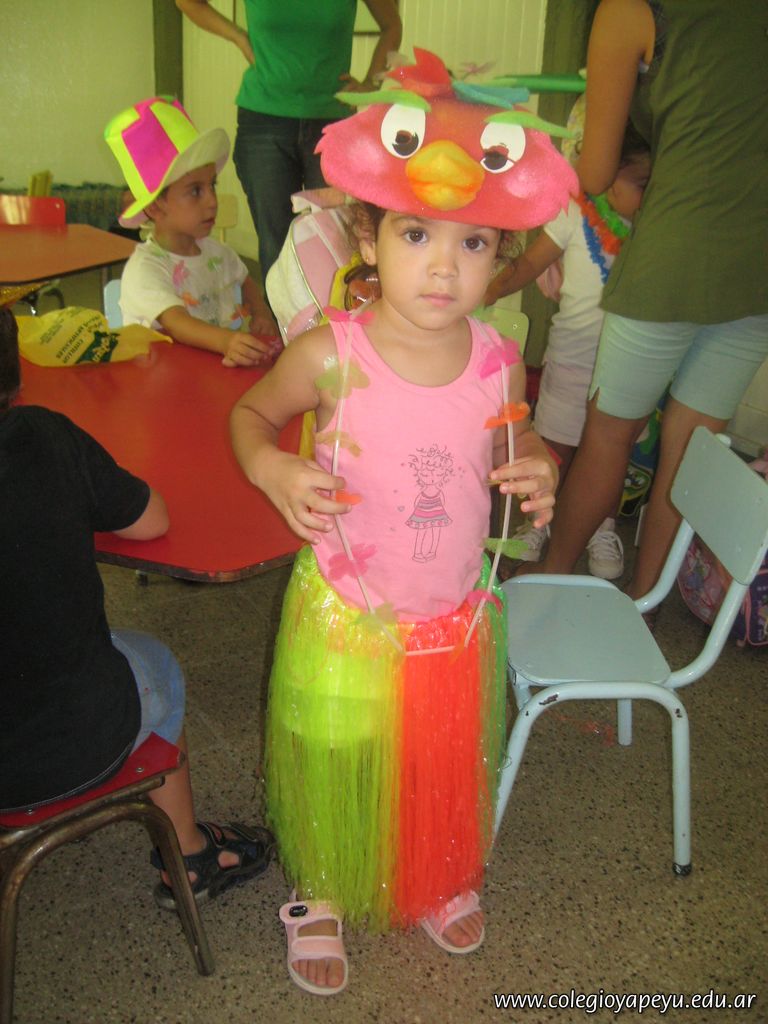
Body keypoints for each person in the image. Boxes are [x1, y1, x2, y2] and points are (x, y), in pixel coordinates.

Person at [230, 49, 575, 994]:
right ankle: (323, 888)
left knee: (434, 758)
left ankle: (432, 871)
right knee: (336, 755)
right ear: (368, 236)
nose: (443, 267)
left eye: (474, 245)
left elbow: (516, 438)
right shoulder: (328, 353)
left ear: (500, 257)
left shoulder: (501, 359)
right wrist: (271, 464)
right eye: (417, 234)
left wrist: (539, 465)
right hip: (347, 612)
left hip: (450, 617)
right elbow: (250, 415)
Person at [0, 305, 274, 908]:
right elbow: (151, 520)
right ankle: (190, 857)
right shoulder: (42, 436)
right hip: (66, 743)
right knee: (156, 663)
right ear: (14, 376)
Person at [532, 0, 768, 606]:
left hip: (671, 257)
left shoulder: (633, 10)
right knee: (691, 454)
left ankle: (550, 579)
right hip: (756, 271)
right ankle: (644, 605)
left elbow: (594, 174)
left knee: (609, 436)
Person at [484, 123, 650, 579]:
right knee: (554, 445)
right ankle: (540, 521)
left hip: (627, 366)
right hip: (573, 358)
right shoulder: (575, 211)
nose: (648, 196)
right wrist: (489, 289)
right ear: (608, 176)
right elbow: (529, 262)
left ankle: (601, 524)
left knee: (613, 453)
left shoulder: (656, 228)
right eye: (641, 184)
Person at [176, 0, 402, 285]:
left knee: (338, 242)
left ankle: (336, 315)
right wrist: (238, 37)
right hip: (263, 122)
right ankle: (279, 315)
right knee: (276, 247)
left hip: (332, 124)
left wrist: (371, 83)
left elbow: (392, 25)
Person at [104, 96, 279, 368]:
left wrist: (261, 313)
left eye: (212, 185)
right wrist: (226, 341)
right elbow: (177, 323)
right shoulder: (145, 268)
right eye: (196, 191)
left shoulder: (219, 253)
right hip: (165, 379)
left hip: (213, 371)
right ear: (155, 207)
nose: (212, 201)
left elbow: (244, 280)